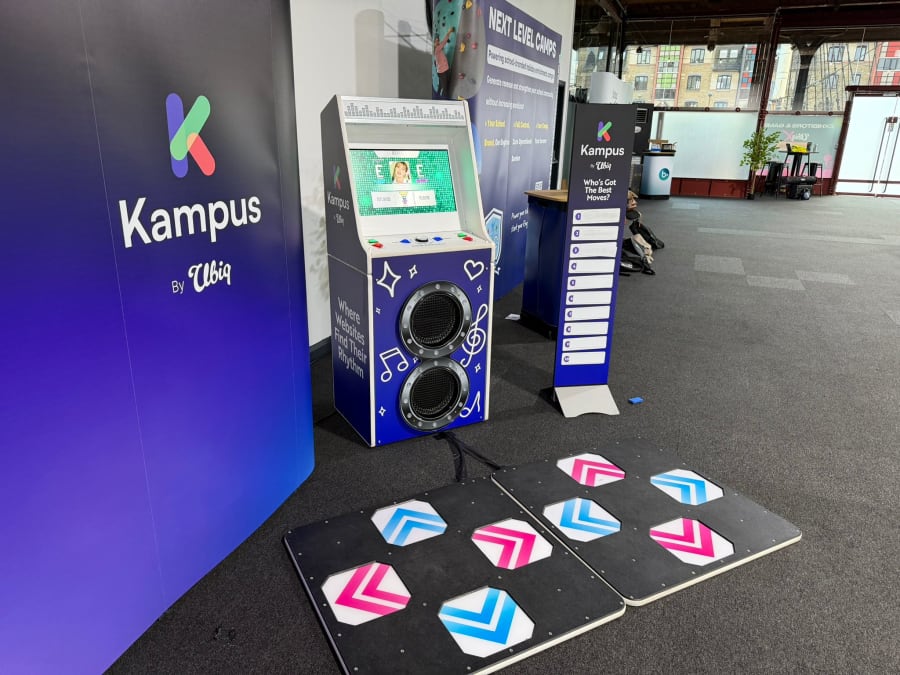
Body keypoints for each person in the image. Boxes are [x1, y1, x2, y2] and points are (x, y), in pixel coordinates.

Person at [433, 27, 454, 98]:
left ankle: (437, 97)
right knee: (445, 89)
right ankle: (444, 101)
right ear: (434, 43)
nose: (437, 42)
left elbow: (436, 62)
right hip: (442, 72)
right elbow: (444, 41)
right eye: (436, 41)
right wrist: (449, 32)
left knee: (441, 86)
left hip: (443, 71)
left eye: (438, 40)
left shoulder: (438, 49)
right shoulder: (437, 49)